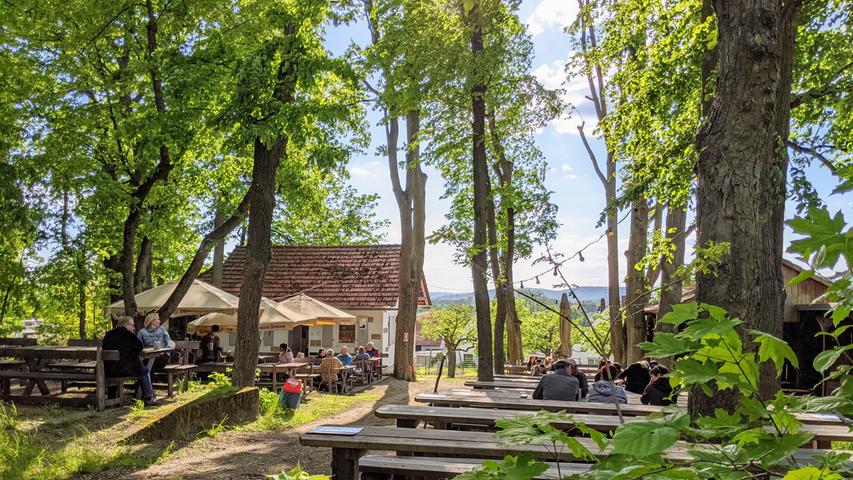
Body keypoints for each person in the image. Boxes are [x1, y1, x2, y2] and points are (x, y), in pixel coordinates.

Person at [103, 316, 156, 406]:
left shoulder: (108, 334)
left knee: (114, 365)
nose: (134, 328)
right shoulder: (128, 334)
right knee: (145, 371)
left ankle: (111, 396)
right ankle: (148, 398)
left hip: (108, 370)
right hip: (125, 370)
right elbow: (140, 346)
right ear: (125, 325)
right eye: (132, 325)